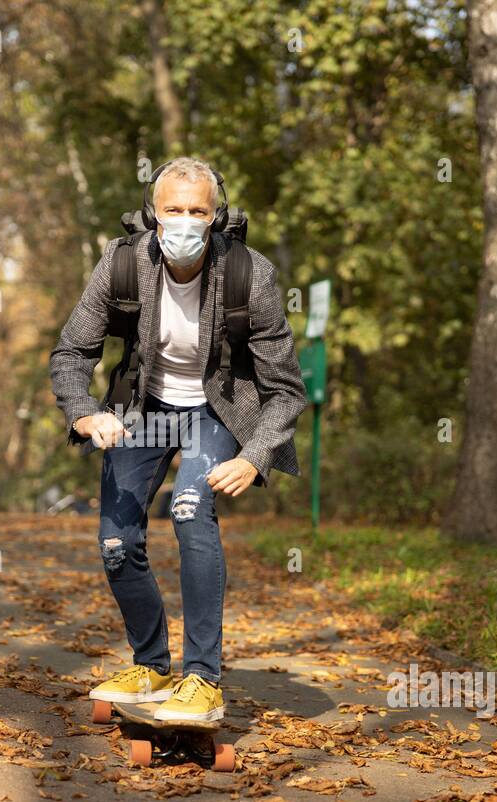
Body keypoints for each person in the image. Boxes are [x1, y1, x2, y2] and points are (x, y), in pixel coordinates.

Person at [49, 157, 307, 722]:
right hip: (146, 409)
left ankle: (202, 678)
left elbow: (286, 391)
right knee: (116, 543)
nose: (186, 221)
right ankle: (150, 663)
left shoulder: (249, 274)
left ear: (216, 218)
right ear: (152, 214)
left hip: (217, 411)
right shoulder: (120, 264)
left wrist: (253, 456)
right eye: (174, 210)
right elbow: (72, 353)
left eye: (198, 211)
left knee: (190, 511)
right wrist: (86, 413)